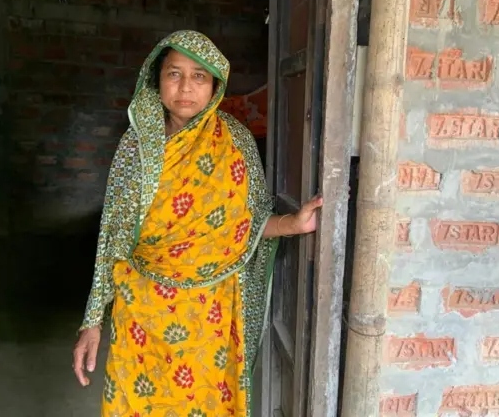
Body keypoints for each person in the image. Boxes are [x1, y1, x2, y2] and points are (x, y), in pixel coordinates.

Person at [72, 30, 323, 416]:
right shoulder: (136, 145)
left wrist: (293, 224)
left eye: (199, 76)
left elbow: (250, 223)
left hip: (209, 315)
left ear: (216, 86)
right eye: (174, 73)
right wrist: (92, 323)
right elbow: (112, 237)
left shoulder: (235, 141)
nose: (185, 86)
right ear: (156, 79)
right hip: (141, 309)